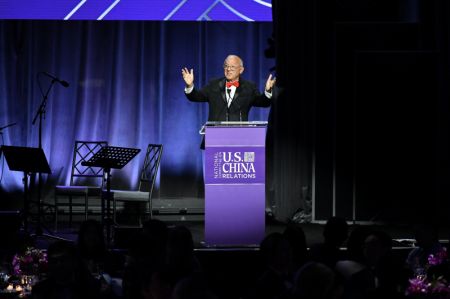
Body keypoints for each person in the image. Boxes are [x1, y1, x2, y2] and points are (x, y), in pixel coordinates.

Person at [182, 54, 276, 147]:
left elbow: (263, 102)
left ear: (241, 70)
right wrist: (189, 86)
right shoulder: (213, 84)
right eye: (226, 66)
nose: (228, 69)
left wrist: (268, 91)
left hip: (241, 139)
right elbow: (196, 96)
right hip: (215, 139)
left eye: (232, 67)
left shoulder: (249, 87)